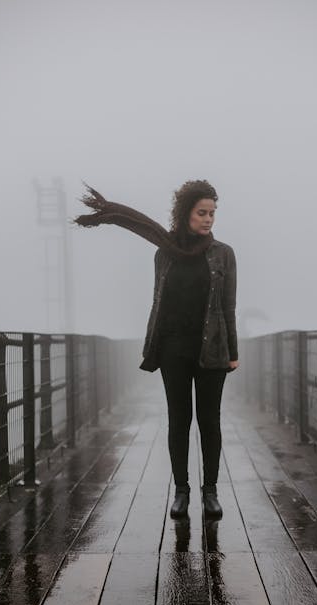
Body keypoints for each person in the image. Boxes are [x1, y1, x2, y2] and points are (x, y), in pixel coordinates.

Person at [74, 180, 238, 520]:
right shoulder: (163, 253)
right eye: (202, 213)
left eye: (212, 214)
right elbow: (157, 303)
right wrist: (154, 347)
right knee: (179, 421)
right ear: (186, 214)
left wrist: (232, 351)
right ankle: (181, 491)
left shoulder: (223, 253)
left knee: (210, 422)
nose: (208, 220)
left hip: (213, 351)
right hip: (173, 350)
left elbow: (228, 307)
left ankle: (210, 492)